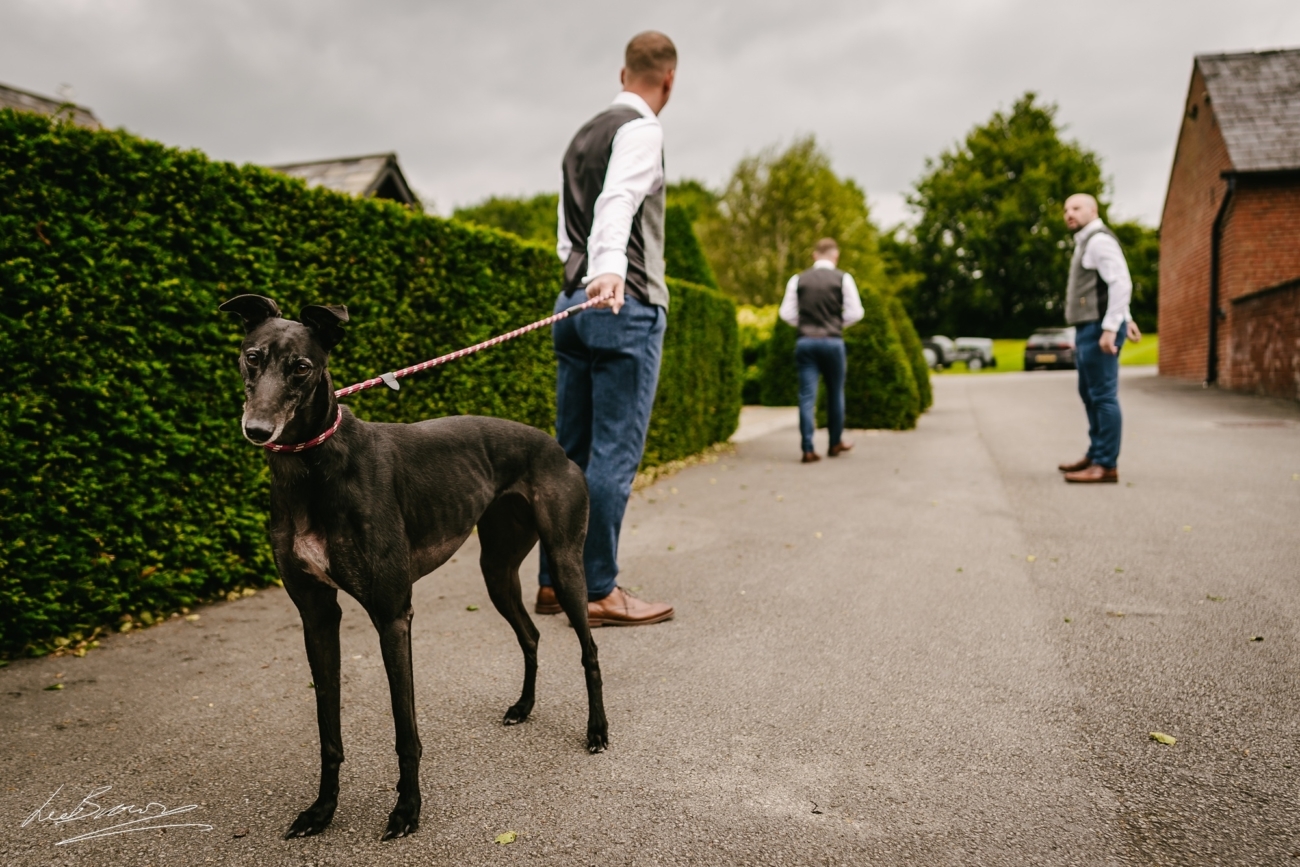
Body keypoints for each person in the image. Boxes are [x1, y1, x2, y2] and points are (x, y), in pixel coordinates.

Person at [534, 32, 677, 626]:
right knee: (614, 454)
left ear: (624, 73)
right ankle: (595, 591)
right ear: (668, 80)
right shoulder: (641, 129)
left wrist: (582, 279)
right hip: (623, 306)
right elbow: (618, 201)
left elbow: (568, 229)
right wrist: (611, 270)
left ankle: (550, 584)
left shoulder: (583, 134)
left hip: (571, 305)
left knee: (570, 454)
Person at [1058, 193, 1143, 483]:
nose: (1069, 213)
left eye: (1076, 207)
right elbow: (1110, 285)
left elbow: (1121, 281)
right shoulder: (1086, 241)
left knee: (1103, 396)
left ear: (1093, 210)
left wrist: (1111, 328)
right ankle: (1096, 454)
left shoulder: (1099, 240)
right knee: (1089, 394)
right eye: (1066, 209)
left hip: (1098, 328)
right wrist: (1127, 318)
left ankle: (1106, 464)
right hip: (1089, 327)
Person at [778, 238, 865, 463]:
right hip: (833, 341)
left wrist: (805, 323)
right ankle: (835, 443)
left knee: (807, 397)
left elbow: (786, 313)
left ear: (814, 255)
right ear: (835, 256)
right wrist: (835, 323)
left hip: (806, 341)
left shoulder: (798, 279)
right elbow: (856, 312)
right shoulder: (843, 278)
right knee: (835, 393)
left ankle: (807, 448)